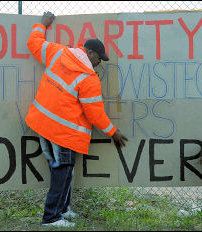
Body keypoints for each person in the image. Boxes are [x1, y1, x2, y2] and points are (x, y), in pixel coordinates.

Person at [25, 11, 128, 227]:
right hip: (62, 132)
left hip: (41, 124)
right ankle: (52, 217)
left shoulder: (58, 52)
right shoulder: (89, 78)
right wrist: (113, 132)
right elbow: (95, 114)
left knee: (64, 169)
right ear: (89, 53)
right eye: (99, 58)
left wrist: (42, 24)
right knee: (63, 170)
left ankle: (63, 209)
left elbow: (34, 42)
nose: (99, 63)